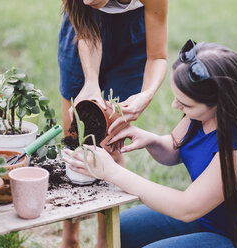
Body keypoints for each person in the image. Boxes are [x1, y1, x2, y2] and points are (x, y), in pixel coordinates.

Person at [63, 40, 237, 247]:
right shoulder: (199, 117)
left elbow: (187, 208)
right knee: (123, 229)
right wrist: (150, 140)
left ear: (220, 102)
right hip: (211, 219)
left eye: (185, 103)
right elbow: (175, 149)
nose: (176, 106)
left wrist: (112, 171)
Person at [58, 0, 168, 247]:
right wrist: (90, 82)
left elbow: (158, 56)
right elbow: (87, 31)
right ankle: (69, 238)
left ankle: (105, 240)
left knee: (109, 143)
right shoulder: (83, 4)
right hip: (82, 32)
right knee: (74, 139)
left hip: (131, 36)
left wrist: (147, 93)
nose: (88, 1)